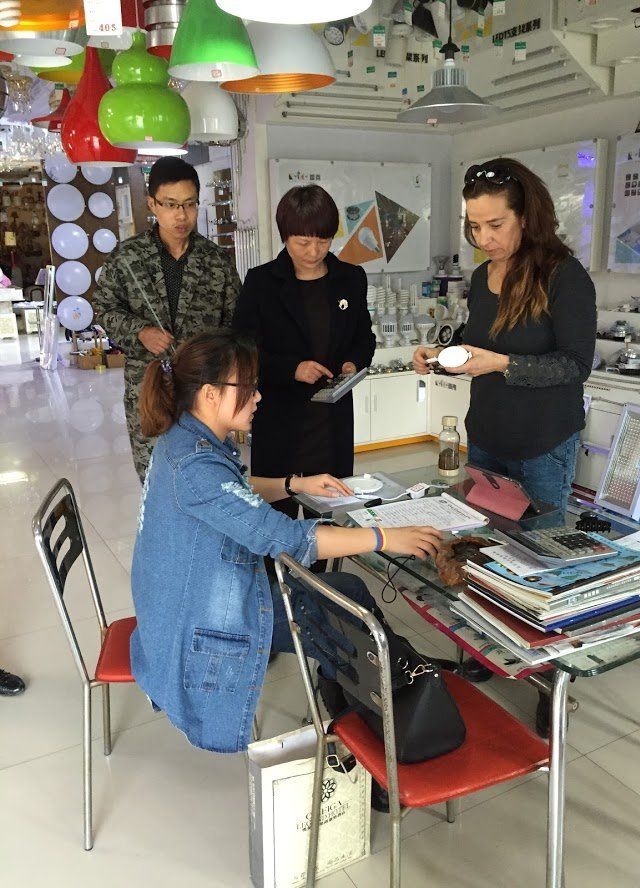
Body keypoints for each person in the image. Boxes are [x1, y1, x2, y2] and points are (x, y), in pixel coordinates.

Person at [130, 329, 442, 754]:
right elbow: (287, 538)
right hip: (200, 620)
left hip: (181, 601)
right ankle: (386, 716)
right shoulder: (194, 465)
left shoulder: (184, 438)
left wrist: (295, 484)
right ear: (210, 394)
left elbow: (233, 491)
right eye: (248, 387)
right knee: (346, 607)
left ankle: (372, 690)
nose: (258, 397)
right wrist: (384, 537)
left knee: (346, 594)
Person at [414, 157, 597, 735]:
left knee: (542, 561)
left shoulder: (564, 277)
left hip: (542, 440)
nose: (483, 238)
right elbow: (478, 345)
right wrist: (442, 355)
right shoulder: (481, 278)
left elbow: (575, 365)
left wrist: (502, 364)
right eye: (475, 226)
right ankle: (485, 649)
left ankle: (550, 681)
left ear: (526, 217)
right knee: (482, 549)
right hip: (488, 435)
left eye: (495, 225)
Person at [233, 184, 375, 518]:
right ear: (285, 236)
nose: (314, 251)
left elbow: (364, 338)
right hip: (280, 416)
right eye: (303, 242)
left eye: (323, 241)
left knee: (327, 512)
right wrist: (292, 369)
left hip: (331, 420)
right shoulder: (261, 282)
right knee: (276, 512)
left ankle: (323, 554)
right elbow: (242, 348)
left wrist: (353, 363)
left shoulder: (350, 278)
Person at [94, 157, 240, 482]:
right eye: (171, 204)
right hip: (149, 387)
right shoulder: (127, 257)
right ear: (152, 204)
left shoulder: (216, 261)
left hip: (203, 390)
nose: (181, 215)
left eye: (189, 204)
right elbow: (103, 308)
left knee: (206, 472)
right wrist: (140, 332)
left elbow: (235, 324)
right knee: (155, 474)